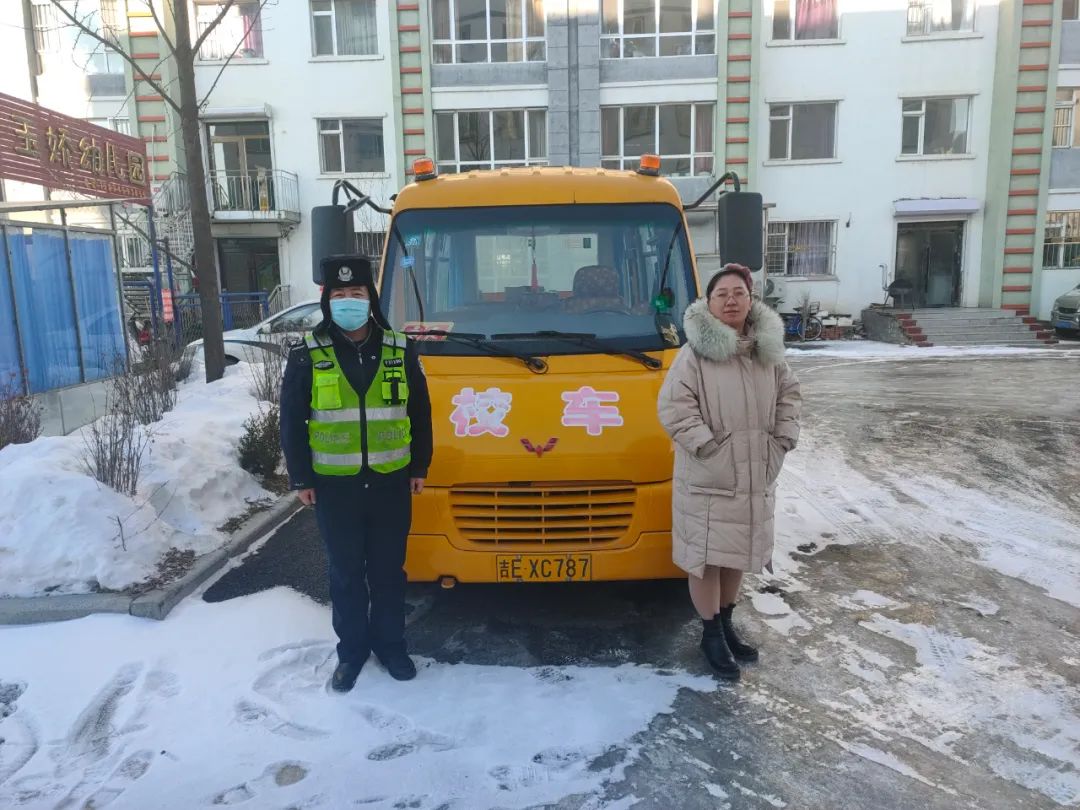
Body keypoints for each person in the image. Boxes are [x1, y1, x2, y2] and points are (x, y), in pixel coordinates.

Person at [280, 255, 433, 692]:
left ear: (371, 299)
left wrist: (419, 464)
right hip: (335, 487)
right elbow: (291, 421)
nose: (349, 301)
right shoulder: (307, 354)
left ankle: (391, 645)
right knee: (345, 574)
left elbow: (421, 413)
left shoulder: (400, 350)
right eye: (340, 295)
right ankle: (352, 652)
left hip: (390, 483)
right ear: (328, 300)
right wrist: (301, 478)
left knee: (388, 572)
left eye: (358, 294)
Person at [657, 263, 801, 681]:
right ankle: (709, 634)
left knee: (736, 553)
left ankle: (726, 625)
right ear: (709, 303)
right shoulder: (695, 354)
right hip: (709, 475)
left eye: (739, 292)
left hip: (755, 474)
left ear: (751, 299)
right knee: (706, 560)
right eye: (722, 294)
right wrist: (709, 448)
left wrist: (783, 438)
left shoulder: (766, 351)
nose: (731, 300)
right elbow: (674, 408)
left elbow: (789, 394)